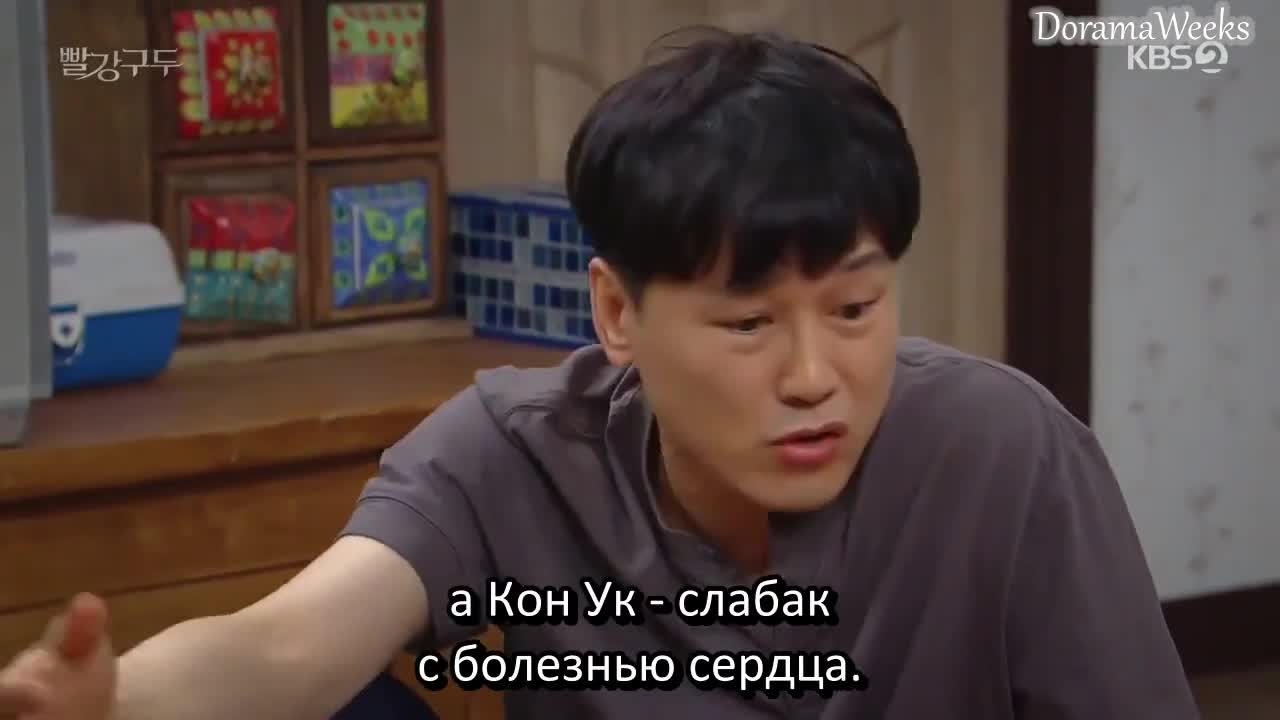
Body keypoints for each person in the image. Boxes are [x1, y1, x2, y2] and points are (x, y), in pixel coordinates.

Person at [0, 27, 1200, 720]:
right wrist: (115, 702)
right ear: (616, 313)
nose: (812, 375)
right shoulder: (514, 450)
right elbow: (284, 646)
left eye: (853, 307)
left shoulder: (1001, 452)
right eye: (746, 324)